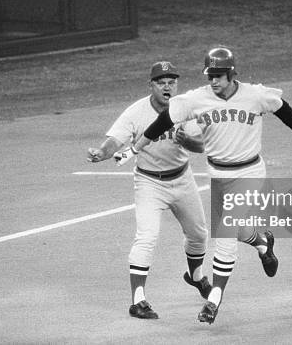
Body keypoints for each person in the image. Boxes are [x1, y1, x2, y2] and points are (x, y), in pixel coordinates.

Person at [116, 47, 292, 324]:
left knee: (225, 234)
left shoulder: (255, 95)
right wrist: (133, 150)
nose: (213, 80)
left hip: (250, 172)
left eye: (218, 75)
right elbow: (162, 122)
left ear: (231, 74)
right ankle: (262, 243)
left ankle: (213, 301)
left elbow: (282, 108)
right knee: (236, 230)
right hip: (219, 175)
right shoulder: (196, 99)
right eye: (210, 75)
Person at [86, 61, 212, 320]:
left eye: (171, 82)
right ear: (151, 85)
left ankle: (196, 277)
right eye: (161, 82)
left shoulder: (184, 108)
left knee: (199, 235)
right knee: (146, 237)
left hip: (182, 179)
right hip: (149, 183)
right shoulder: (136, 112)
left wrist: (186, 140)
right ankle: (138, 300)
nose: (167, 86)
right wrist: (102, 153)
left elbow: (200, 145)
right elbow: (116, 140)